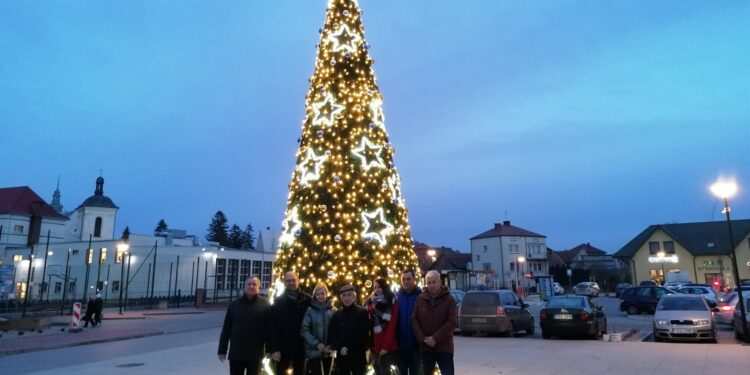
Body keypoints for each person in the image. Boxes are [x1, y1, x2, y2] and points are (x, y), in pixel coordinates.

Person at [218, 276, 271, 375]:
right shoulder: (234, 305)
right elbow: (226, 329)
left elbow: (269, 329)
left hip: (256, 355)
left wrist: (270, 349)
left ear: (259, 287)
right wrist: (222, 350)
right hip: (236, 353)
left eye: (254, 284)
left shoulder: (265, 305)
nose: (251, 286)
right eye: (248, 284)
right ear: (244, 286)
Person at [412, 270, 457, 375]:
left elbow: (452, 322)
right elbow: (414, 319)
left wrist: (435, 338)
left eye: (434, 282)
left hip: (444, 348)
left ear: (440, 282)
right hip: (426, 347)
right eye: (429, 283)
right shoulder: (420, 299)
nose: (431, 285)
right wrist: (423, 338)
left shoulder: (449, 300)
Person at [269, 271, 312, 375]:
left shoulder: (308, 299)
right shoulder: (278, 301)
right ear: (284, 282)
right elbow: (273, 327)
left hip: (302, 347)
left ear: (298, 281)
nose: (291, 283)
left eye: (293, 280)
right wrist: (274, 349)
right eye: (288, 281)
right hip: (283, 348)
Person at [328, 284, 369, 375]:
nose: (346, 298)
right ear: (341, 298)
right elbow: (332, 333)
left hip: (357, 357)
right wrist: (340, 347)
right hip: (342, 357)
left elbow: (363, 334)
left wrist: (348, 347)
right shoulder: (337, 314)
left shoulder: (362, 313)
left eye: (349, 295)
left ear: (354, 297)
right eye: (344, 295)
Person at [365, 278, 399, 375]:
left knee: (385, 371)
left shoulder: (392, 301)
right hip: (374, 345)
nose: (377, 290)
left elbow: (392, 326)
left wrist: (385, 347)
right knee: (377, 370)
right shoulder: (369, 302)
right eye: (375, 288)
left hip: (386, 345)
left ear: (384, 287)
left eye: (379, 287)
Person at [301, 283, 335, 375]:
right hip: (314, 351)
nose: (320, 296)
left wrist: (331, 345)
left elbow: (337, 330)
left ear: (326, 294)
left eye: (322, 293)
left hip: (328, 351)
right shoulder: (310, 311)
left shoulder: (333, 310)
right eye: (318, 294)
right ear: (315, 295)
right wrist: (316, 343)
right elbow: (304, 330)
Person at [396, 269, 422, 375]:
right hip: (400, 346)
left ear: (414, 280)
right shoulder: (397, 297)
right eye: (403, 279)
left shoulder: (421, 296)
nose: (406, 282)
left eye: (408, 279)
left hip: (415, 346)